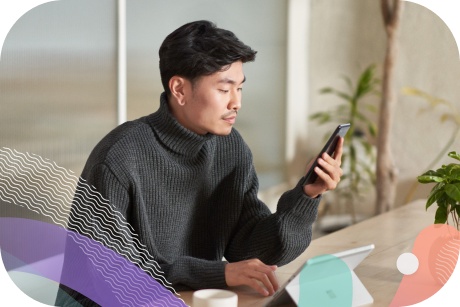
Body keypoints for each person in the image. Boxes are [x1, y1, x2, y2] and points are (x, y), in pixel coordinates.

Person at [56, 20, 343, 305]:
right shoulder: (119, 156)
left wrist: (307, 195)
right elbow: (110, 275)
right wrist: (217, 273)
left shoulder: (230, 148)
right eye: (224, 89)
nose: (236, 103)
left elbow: (254, 251)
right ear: (179, 89)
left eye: (239, 88)